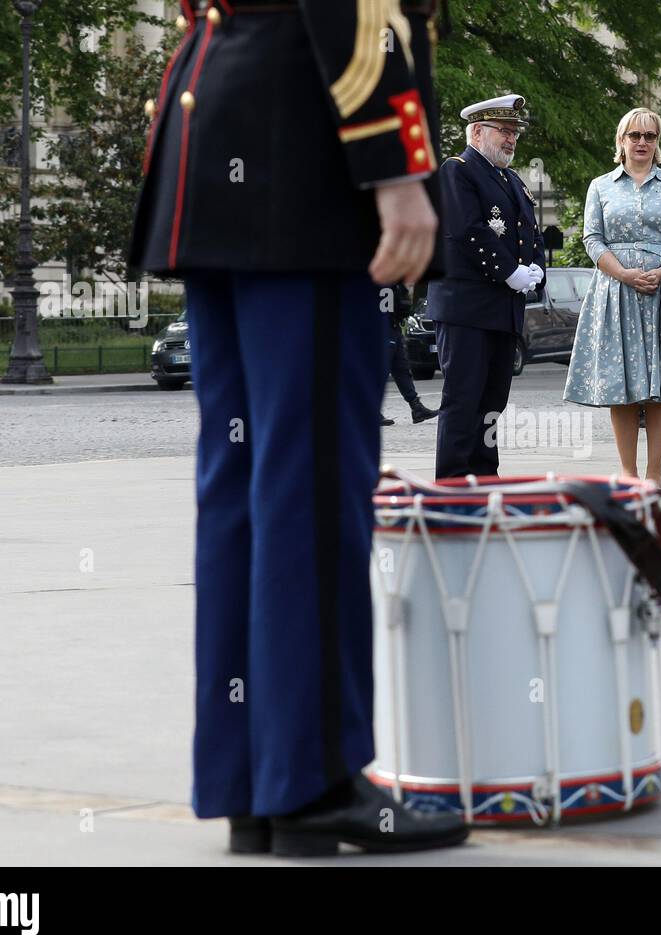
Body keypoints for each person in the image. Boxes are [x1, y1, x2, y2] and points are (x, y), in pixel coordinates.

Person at [128, 0, 467, 857]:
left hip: (223, 124)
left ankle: (255, 779)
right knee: (309, 493)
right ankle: (314, 779)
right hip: (304, 151)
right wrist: (398, 166)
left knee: (244, 491)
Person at [564, 107, 661, 486]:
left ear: (658, 143)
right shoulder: (601, 186)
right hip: (614, 291)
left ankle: (654, 474)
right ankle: (627, 472)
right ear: (621, 141)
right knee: (620, 384)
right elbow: (592, 237)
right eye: (634, 136)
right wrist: (622, 273)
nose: (642, 142)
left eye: (650, 136)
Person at [427, 94, 545, 479]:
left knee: (493, 400)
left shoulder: (512, 180)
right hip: (466, 306)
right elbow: (466, 230)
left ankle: (484, 473)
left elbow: (531, 233)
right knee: (463, 398)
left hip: (502, 308)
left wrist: (536, 270)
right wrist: (510, 271)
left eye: (514, 133)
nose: (511, 139)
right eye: (504, 131)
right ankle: (452, 479)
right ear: (478, 132)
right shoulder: (457, 170)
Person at [381, 283, 438, 426]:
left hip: (394, 327)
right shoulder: (382, 279)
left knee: (402, 369)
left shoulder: (395, 279)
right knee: (380, 370)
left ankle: (416, 407)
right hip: (383, 328)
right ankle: (371, 409)